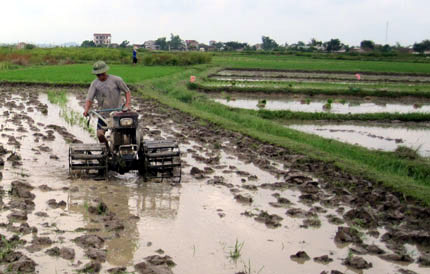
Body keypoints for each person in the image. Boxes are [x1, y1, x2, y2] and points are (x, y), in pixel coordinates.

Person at [83, 61, 131, 147]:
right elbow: (89, 99)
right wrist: (86, 110)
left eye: (102, 74)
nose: (101, 76)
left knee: (122, 136)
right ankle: (107, 151)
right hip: (103, 114)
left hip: (118, 113)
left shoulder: (116, 80)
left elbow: (127, 91)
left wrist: (127, 105)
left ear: (105, 71)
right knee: (100, 135)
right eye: (98, 75)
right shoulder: (95, 84)